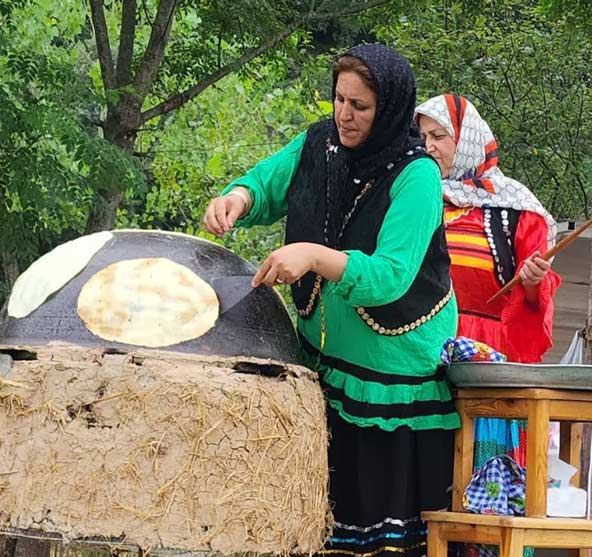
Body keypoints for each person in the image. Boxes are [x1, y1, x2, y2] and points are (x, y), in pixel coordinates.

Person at [203, 44, 459, 557]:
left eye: (360, 106)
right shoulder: (320, 143)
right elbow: (266, 185)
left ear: (388, 109)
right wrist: (237, 198)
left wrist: (315, 256)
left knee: (379, 539)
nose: (344, 115)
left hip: (393, 377)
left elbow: (391, 276)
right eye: (339, 100)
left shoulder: (418, 176)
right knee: (313, 529)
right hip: (324, 363)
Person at [415, 94, 561, 471]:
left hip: (487, 356)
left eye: (439, 136)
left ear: (465, 140)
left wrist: (531, 280)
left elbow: (536, 293)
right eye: (423, 136)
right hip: (423, 351)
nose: (428, 146)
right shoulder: (416, 196)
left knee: (481, 469)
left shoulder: (518, 208)